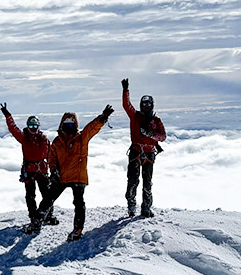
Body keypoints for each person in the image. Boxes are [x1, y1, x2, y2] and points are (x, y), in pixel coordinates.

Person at [41, 104, 113, 241]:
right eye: (66, 123)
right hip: (61, 176)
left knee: (79, 203)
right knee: (49, 198)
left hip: (78, 176)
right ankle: (37, 220)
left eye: (71, 123)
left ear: (76, 124)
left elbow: (92, 128)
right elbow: (52, 158)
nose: (69, 126)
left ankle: (77, 229)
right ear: (62, 124)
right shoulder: (57, 142)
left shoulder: (82, 138)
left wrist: (102, 118)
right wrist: (54, 171)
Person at [0, 102, 59, 233]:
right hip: (30, 171)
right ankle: (34, 217)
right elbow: (13, 129)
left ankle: (47, 215)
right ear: (27, 126)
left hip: (42, 170)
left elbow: (51, 155)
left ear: (38, 127)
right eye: (31, 125)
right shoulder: (24, 138)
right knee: (30, 195)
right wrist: (8, 115)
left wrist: (55, 169)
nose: (33, 128)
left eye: (35, 125)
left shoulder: (44, 140)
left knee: (47, 194)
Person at [121, 77, 167, 218]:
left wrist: (150, 134)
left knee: (147, 183)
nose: (146, 106)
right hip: (136, 151)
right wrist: (125, 91)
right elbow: (126, 105)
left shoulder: (156, 121)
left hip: (149, 153)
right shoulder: (135, 116)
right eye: (144, 103)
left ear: (152, 105)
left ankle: (146, 208)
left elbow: (163, 136)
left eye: (149, 103)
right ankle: (131, 206)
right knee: (133, 181)